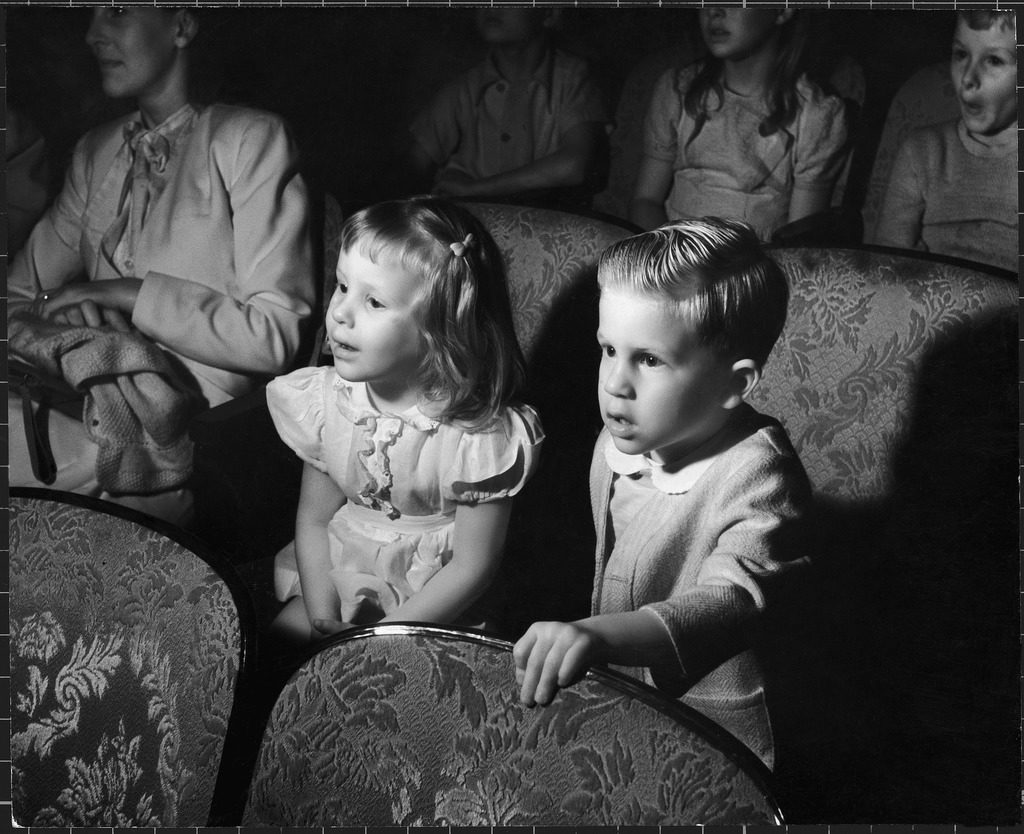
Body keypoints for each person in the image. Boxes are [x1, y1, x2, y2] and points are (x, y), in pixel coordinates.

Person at [512, 217, 811, 770]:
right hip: (619, 689)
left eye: (649, 360)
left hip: (713, 725)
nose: (614, 384)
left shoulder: (761, 477)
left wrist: (597, 636)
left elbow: (731, 601)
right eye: (608, 350)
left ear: (735, 384)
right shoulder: (622, 437)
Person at [7, 7, 315, 523]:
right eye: (92, 13)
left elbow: (275, 336)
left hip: (183, 434)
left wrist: (126, 293)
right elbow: (18, 294)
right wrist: (64, 321)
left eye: (118, 10)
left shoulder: (250, 139)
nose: (92, 33)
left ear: (181, 26)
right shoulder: (98, 150)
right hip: (85, 397)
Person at [267, 197, 544, 646]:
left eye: (374, 301)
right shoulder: (326, 401)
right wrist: (323, 615)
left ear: (439, 331)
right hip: (342, 573)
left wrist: (380, 637)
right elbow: (314, 520)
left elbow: (472, 567)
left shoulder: (479, 436)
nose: (339, 312)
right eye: (341, 286)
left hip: (439, 600)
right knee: (281, 650)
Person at [630, 7, 848, 239]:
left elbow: (798, 239)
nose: (713, 11)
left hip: (751, 265)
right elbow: (645, 200)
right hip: (671, 260)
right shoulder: (679, 91)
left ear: (783, 10)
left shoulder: (813, 115)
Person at [409, 8, 609, 205]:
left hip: (544, 227)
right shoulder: (462, 89)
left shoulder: (573, 78)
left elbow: (575, 165)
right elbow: (412, 166)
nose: (492, 5)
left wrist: (475, 189)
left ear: (549, 14)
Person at [872, 11, 1017, 272]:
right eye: (961, 55)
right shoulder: (922, 153)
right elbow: (888, 269)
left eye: (994, 60)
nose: (968, 79)